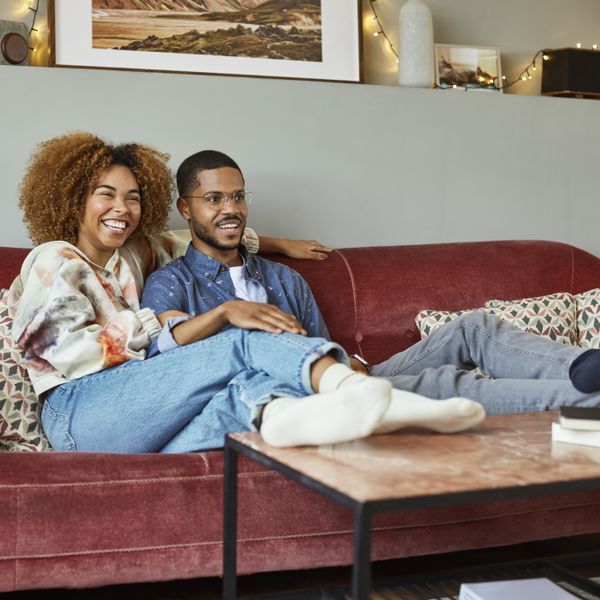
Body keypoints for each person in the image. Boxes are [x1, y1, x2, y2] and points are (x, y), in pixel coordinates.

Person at [10, 132, 484, 454]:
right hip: (78, 412)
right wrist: (152, 324)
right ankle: (366, 391)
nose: (122, 209)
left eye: (133, 197)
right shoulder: (54, 259)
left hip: (141, 411)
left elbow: (203, 236)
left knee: (244, 396)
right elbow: (71, 357)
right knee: (236, 339)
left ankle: (339, 419)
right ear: (75, 198)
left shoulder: (136, 254)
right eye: (105, 195)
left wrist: (280, 244)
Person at [142, 149, 600, 422]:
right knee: (449, 384)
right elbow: (171, 347)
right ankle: (586, 400)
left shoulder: (283, 277)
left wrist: (351, 366)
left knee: (474, 327)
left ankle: (586, 367)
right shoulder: (170, 283)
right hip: (293, 401)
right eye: (214, 199)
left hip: (344, 375)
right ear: (186, 208)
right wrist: (226, 314)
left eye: (239, 196)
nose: (231, 209)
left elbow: (323, 345)